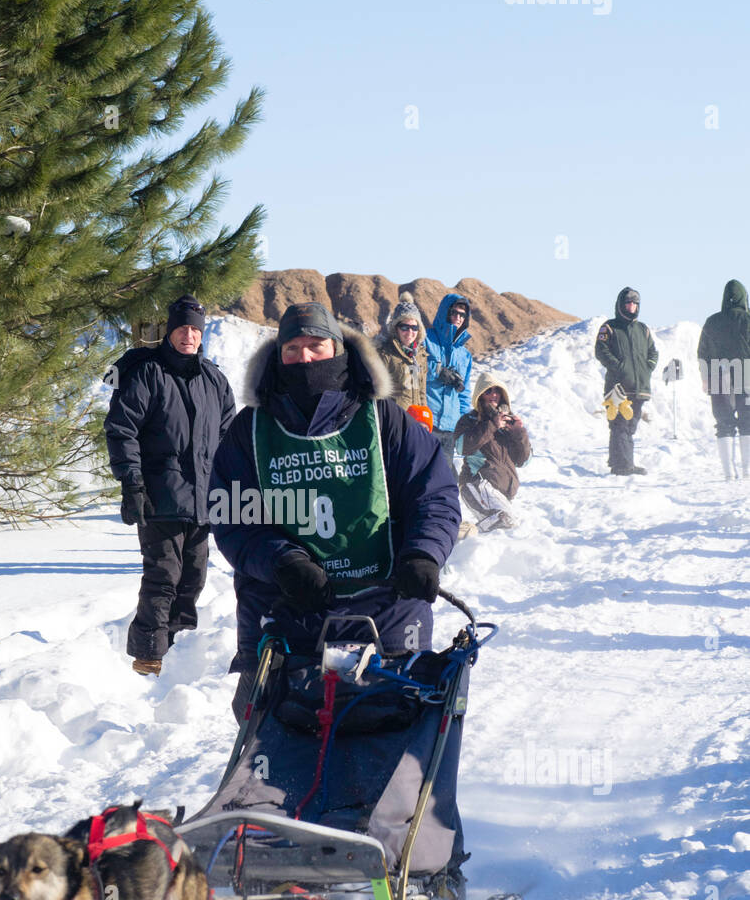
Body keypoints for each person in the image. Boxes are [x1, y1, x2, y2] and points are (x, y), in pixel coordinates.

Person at [207, 299, 461, 712]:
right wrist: (283, 562)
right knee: (278, 737)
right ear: (279, 355)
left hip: (388, 606)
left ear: (338, 350)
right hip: (287, 606)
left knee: (394, 727)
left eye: (316, 346)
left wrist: (423, 554)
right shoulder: (249, 430)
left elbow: (432, 495)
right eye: (292, 349)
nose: (304, 357)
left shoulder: (384, 419)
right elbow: (233, 515)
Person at [104, 294, 235, 676]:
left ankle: (178, 653)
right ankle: (147, 659)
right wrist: (132, 485)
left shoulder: (215, 380)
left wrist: (230, 489)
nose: (189, 336)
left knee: (193, 581)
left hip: (202, 501)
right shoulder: (148, 373)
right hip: (159, 498)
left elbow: (228, 439)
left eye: (195, 329)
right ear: (170, 330)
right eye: (182, 328)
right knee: (163, 577)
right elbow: (121, 429)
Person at [453, 373, 531, 532]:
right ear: (480, 395)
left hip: (503, 494)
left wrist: (519, 433)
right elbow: (462, 447)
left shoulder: (507, 422)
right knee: (504, 525)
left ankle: (464, 534)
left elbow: (523, 461)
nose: (494, 394)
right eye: (488, 391)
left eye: (497, 390)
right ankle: (459, 539)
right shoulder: (470, 420)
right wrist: (491, 425)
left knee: (506, 530)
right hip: (477, 485)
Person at [594, 287, 658, 475]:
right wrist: (619, 368)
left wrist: (648, 368)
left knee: (629, 426)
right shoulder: (609, 327)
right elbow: (601, 351)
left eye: (635, 303)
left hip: (639, 387)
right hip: (618, 387)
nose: (631, 306)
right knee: (620, 424)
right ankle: (623, 466)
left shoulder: (643, 329)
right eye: (628, 303)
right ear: (621, 305)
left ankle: (619, 462)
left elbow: (653, 352)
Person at [697, 279, 750, 480]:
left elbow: (702, 352)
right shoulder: (748, 319)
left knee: (724, 422)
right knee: (748, 422)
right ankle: (747, 470)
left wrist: (705, 377)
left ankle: (728, 472)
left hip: (719, 376)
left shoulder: (712, 321)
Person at [424, 294, 473, 463]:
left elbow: (464, 394)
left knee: (444, 479)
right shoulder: (425, 338)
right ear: (445, 312)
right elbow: (413, 370)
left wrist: (463, 423)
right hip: (427, 421)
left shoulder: (464, 354)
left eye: (462, 315)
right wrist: (438, 371)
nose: (458, 318)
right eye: (454, 312)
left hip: (450, 427)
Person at [377, 292, 429, 411]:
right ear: (396, 328)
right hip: (394, 420)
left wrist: (424, 415)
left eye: (414, 327)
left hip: (415, 419)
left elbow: (421, 391)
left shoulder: (420, 355)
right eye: (405, 327)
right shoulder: (385, 354)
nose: (410, 332)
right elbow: (377, 395)